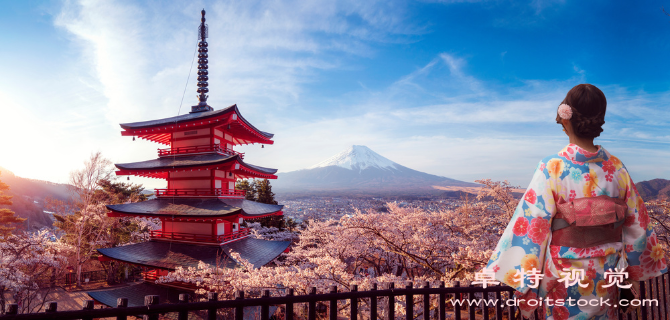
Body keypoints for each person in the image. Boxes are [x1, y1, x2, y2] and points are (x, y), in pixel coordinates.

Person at [484, 84, 667, 319]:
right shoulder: (617, 168)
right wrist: (631, 272)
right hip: (606, 274)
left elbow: (532, 228)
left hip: (564, 275)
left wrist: (525, 285)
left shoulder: (552, 167)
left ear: (565, 118)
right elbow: (636, 226)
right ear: (599, 120)